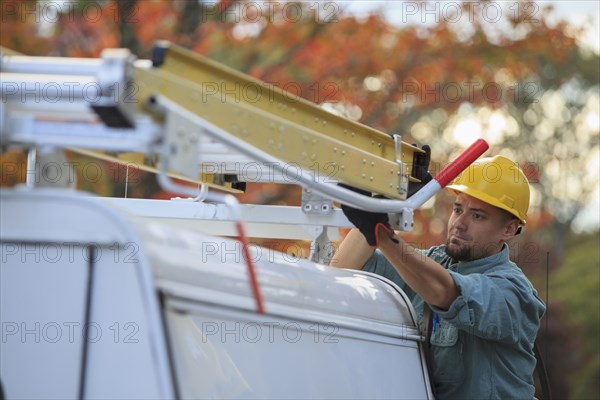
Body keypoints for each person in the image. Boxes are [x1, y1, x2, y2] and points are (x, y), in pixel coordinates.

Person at [330, 154, 546, 399]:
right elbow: (343, 270)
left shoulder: (514, 293)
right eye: (458, 209)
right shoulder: (434, 262)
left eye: (477, 216)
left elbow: (445, 291)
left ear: (509, 229)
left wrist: (380, 234)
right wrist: (386, 203)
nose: (459, 224)